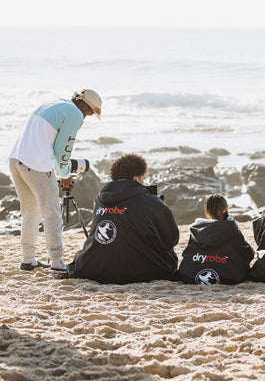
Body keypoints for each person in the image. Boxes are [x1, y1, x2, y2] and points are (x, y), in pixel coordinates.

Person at [9, 89, 102, 271]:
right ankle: (57, 262)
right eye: (90, 112)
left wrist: (61, 169)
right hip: (37, 165)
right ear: (84, 106)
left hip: (16, 159)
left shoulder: (54, 103)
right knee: (52, 215)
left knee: (30, 212)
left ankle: (28, 259)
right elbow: (63, 152)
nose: (87, 117)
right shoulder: (75, 114)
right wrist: (65, 175)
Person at [66, 153, 179, 283]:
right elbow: (171, 239)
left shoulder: (100, 199)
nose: (144, 181)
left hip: (93, 267)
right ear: (136, 178)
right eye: (143, 177)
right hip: (142, 270)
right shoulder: (151, 201)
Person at [177, 195, 254, 285]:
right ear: (225, 209)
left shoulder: (196, 230)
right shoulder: (231, 230)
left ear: (207, 211)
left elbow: (188, 253)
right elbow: (248, 253)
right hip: (229, 276)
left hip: (192, 275)